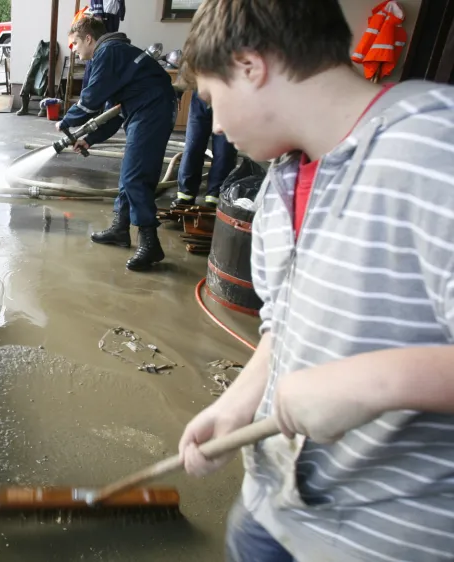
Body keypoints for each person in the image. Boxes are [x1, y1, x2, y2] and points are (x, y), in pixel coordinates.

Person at [176, 1, 454, 560]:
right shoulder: (281, 180)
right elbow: (283, 323)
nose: (219, 126)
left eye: (211, 100)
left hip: (389, 536)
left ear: (250, 65)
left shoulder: (434, 148)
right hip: (271, 509)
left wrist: (373, 382)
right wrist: (237, 404)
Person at [59, 16, 176, 271]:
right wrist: (89, 139)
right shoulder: (116, 54)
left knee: (136, 176)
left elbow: (90, 101)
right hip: (146, 109)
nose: (75, 51)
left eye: (76, 44)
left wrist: (65, 121)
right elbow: (113, 111)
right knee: (129, 174)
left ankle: (150, 243)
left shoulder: (108, 52)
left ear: (89, 38)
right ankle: (120, 229)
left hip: (152, 111)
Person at [173, 89, 238, 209]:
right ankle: (185, 195)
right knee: (193, 147)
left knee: (224, 152)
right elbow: (188, 70)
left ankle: (215, 197)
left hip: (230, 101)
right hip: (201, 99)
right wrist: (178, 92)